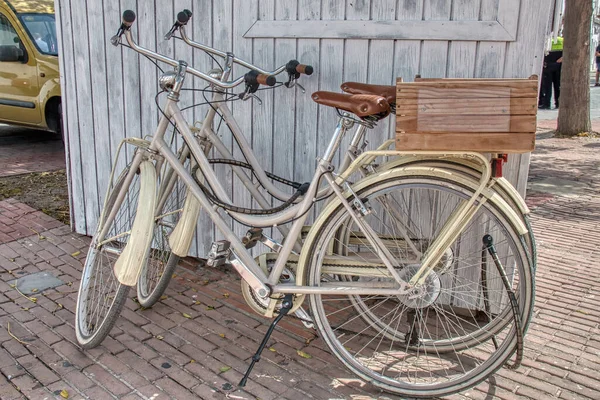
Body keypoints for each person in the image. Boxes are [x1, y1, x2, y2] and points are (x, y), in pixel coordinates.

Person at [539, 37, 563, 109]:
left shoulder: (546, 40)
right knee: (558, 86)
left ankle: (546, 104)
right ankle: (558, 103)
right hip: (559, 65)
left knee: (547, 86)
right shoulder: (562, 40)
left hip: (548, 65)